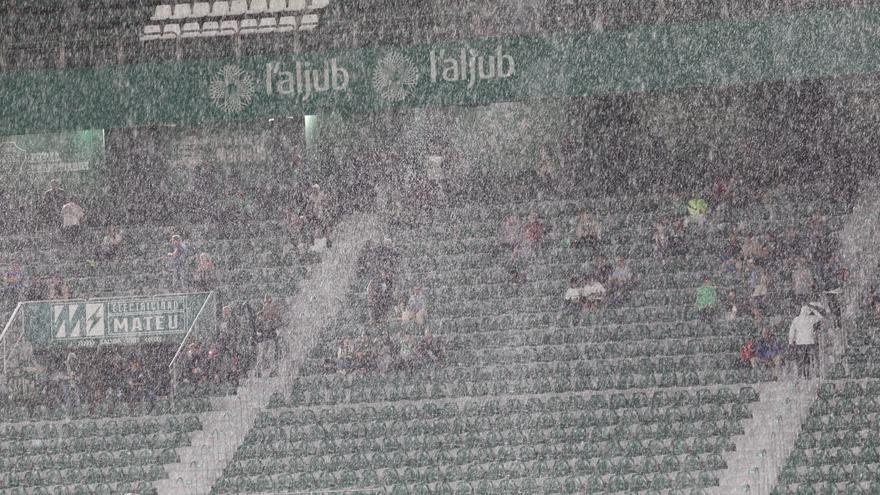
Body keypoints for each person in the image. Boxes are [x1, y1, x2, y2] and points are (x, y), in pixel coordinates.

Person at [788, 303, 824, 380]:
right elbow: (821, 318)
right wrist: (814, 310)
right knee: (810, 359)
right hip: (810, 342)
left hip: (800, 343)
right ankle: (814, 375)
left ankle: (801, 376)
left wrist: (791, 342)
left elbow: (791, 332)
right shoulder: (812, 318)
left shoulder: (796, 319)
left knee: (802, 361)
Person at [253, 295, 282, 377]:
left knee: (270, 354)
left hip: (271, 338)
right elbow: (257, 327)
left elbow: (277, 326)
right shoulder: (260, 316)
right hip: (263, 338)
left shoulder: (274, 316)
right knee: (261, 355)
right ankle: (258, 371)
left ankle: (274, 370)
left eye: (269, 304)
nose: (267, 306)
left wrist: (272, 324)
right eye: (266, 304)